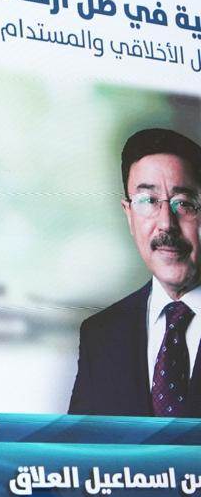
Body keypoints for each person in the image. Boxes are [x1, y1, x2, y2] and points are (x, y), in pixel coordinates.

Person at [69, 128, 201, 417]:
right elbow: (83, 444)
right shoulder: (100, 336)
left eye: (184, 203)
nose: (166, 224)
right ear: (129, 215)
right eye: (148, 201)